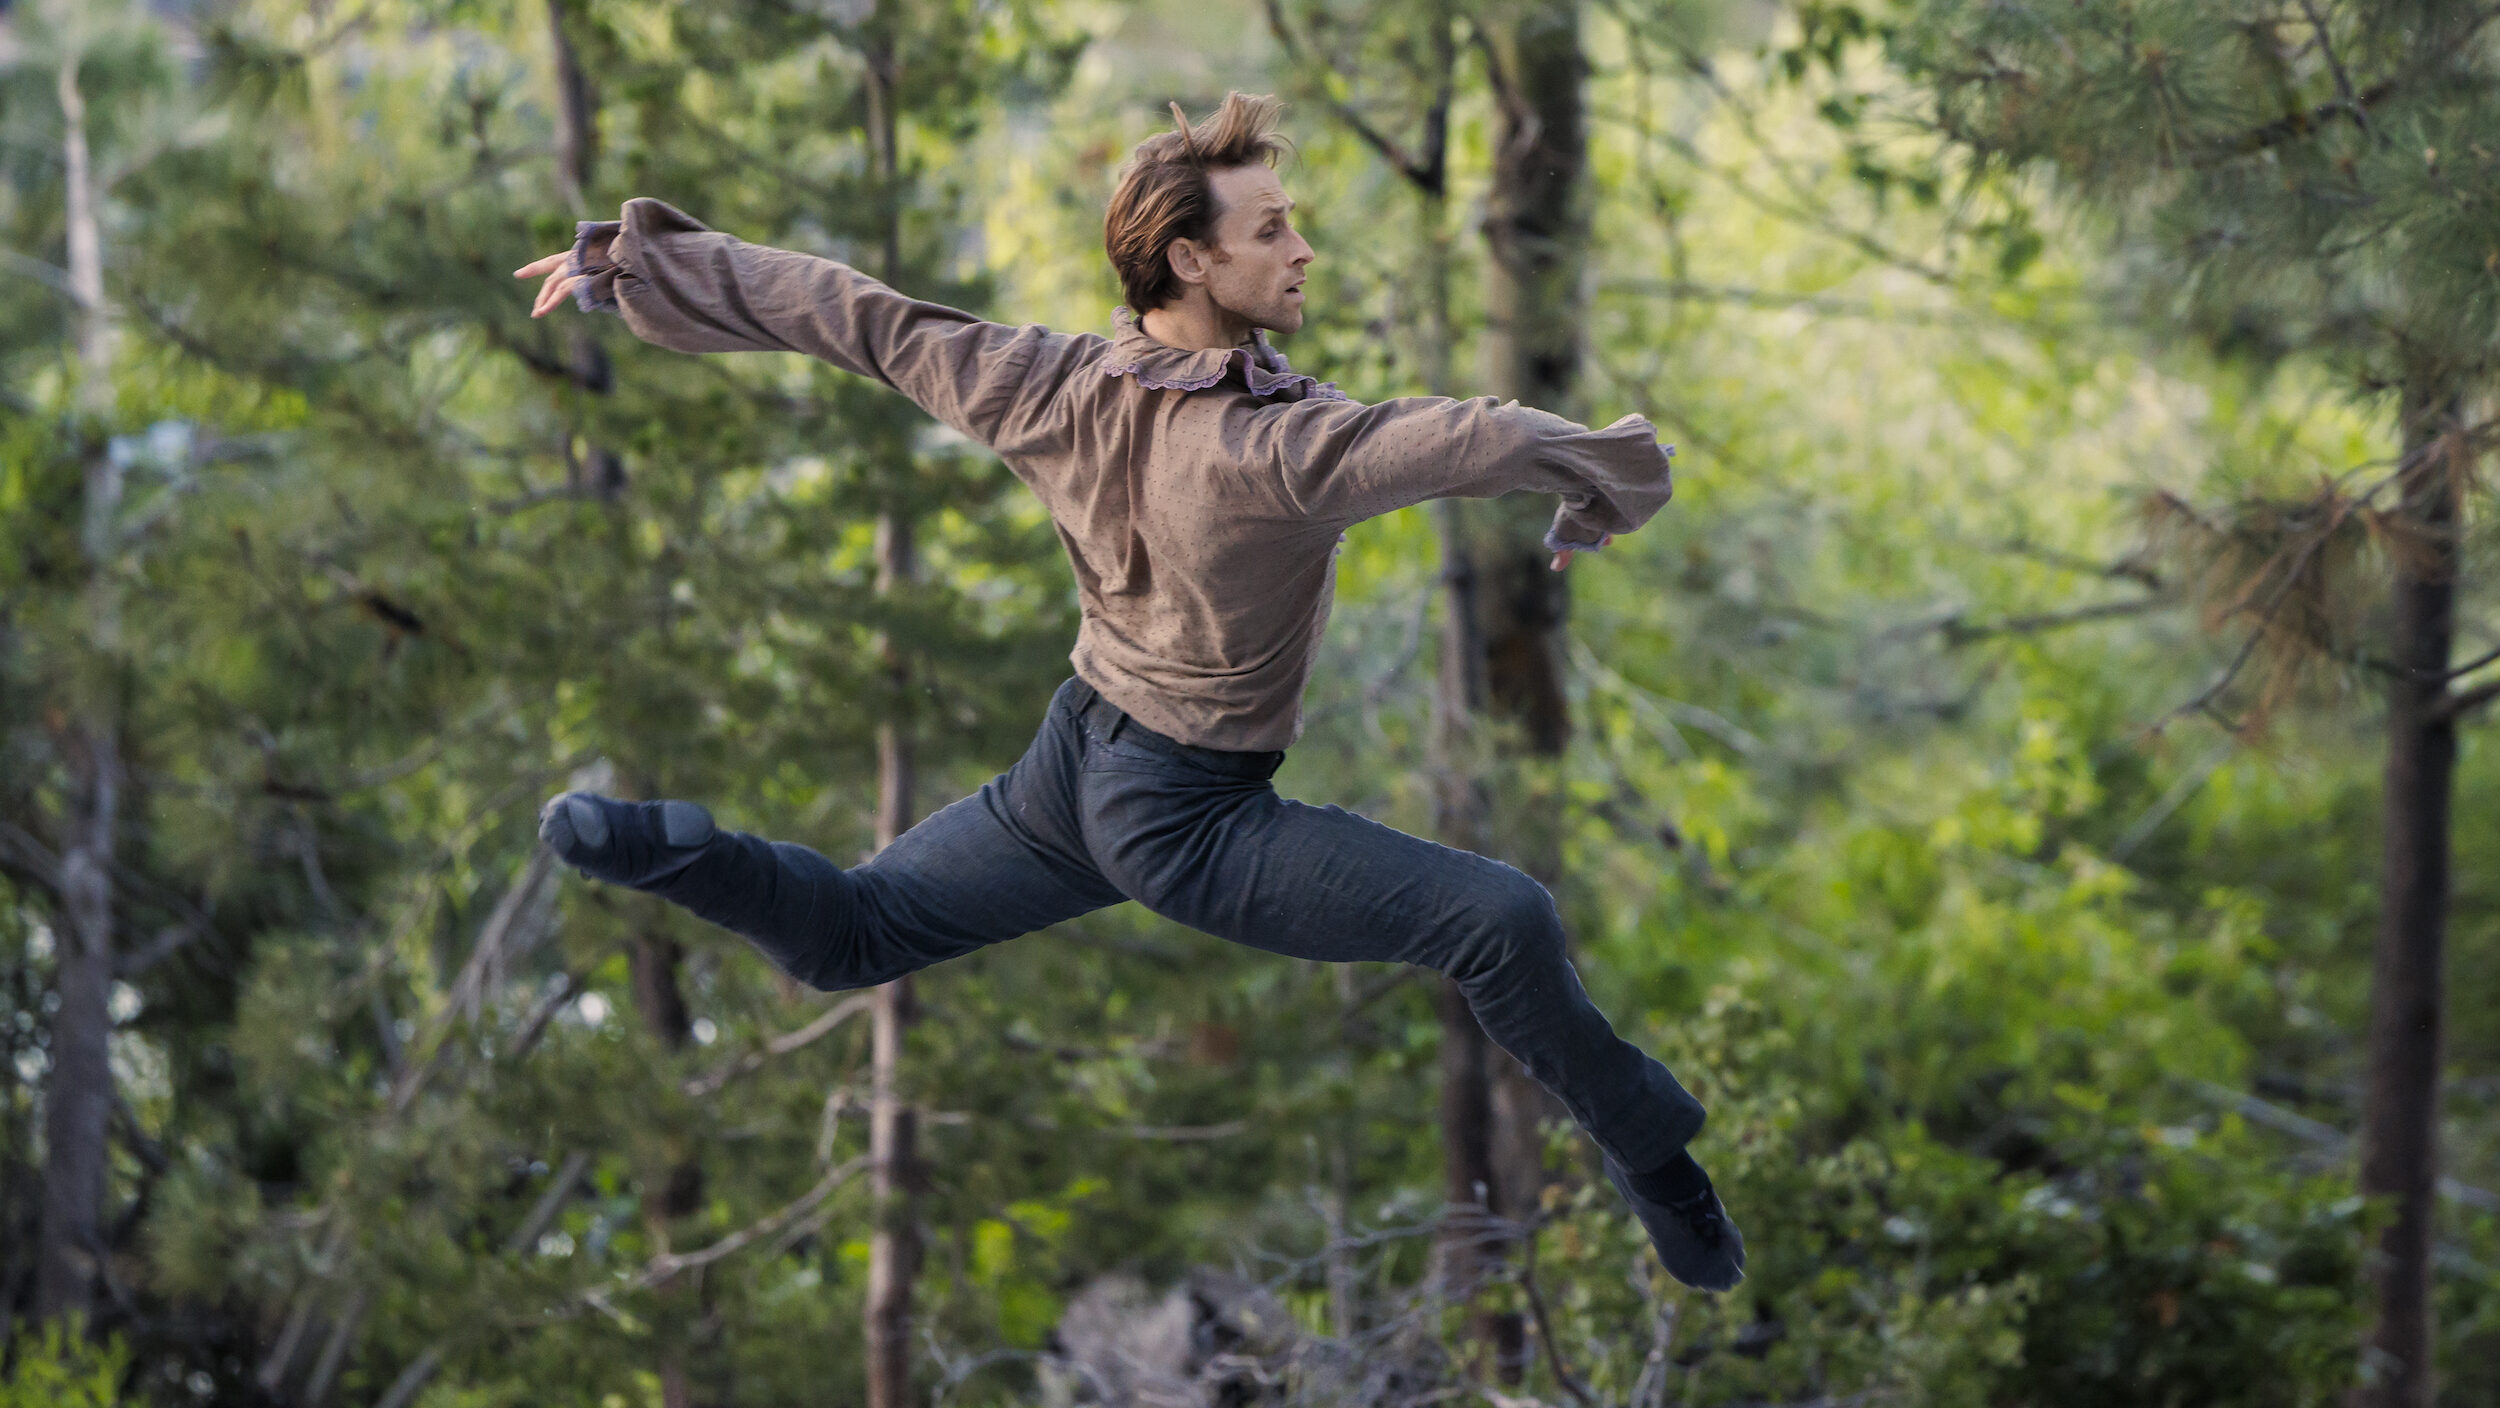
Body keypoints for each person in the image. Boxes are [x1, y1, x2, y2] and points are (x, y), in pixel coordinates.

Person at [513, 92, 1742, 1291]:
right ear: (1189, 258)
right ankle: (1660, 1167)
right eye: (1271, 230)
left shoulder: (1046, 382)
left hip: (1071, 765)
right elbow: (1471, 435)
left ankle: (666, 850)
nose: (1303, 246)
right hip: (1185, 818)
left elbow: (861, 319)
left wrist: (640, 266)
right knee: (1501, 918)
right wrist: (1616, 477)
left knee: (849, 936)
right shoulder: (1281, 454)